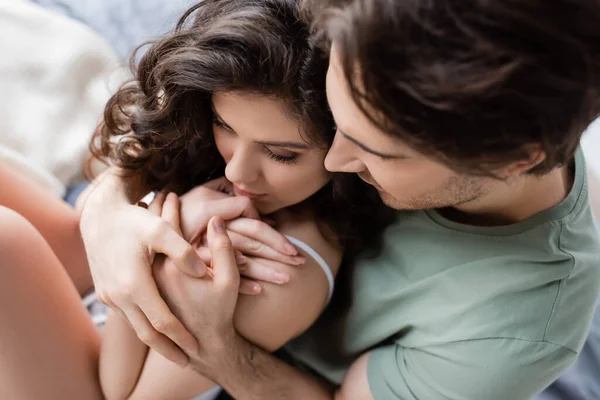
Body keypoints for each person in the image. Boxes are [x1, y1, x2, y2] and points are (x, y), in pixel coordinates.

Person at [80, 0, 600, 399]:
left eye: (376, 150)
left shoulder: (514, 334)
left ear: (512, 160)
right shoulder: (370, 29)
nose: (334, 162)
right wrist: (110, 215)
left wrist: (217, 350)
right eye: (337, 119)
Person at [0, 1, 394, 399]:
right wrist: (129, 223)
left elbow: (122, 394)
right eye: (226, 125)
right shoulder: (207, 142)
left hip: (90, 377)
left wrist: (157, 238)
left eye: (281, 154)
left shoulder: (286, 269)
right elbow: (87, 209)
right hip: (79, 298)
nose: (238, 172)